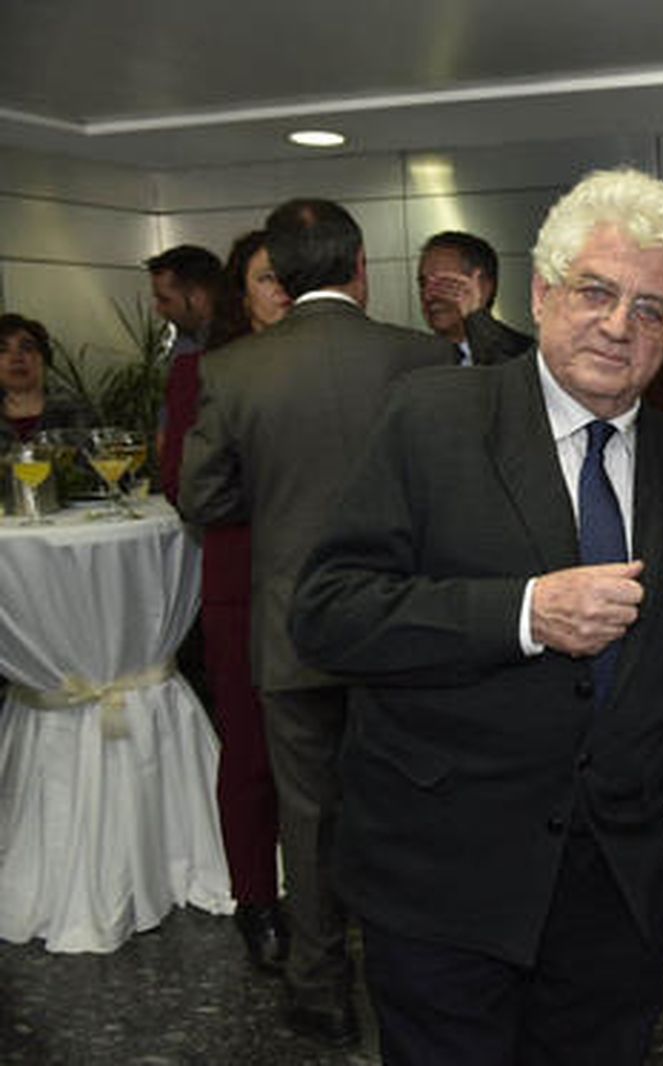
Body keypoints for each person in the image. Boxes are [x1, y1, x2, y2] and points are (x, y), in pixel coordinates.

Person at [288, 168, 663, 1064]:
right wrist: (524, 613)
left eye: (652, 309)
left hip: (614, 891)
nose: (619, 325)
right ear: (540, 294)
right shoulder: (434, 418)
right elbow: (328, 613)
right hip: (444, 883)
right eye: (596, 292)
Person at [179, 199, 455, 1048]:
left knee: (310, 817)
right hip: (405, 632)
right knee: (415, 813)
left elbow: (202, 498)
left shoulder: (234, 372)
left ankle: (320, 988)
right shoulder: (425, 357)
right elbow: (456, 491)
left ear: (279, 273)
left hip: (294, 629)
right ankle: (427, 982)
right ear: (360, 265)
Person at [159, 229, 291, 976]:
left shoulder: (335, 371)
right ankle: (256, 901)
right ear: (243, 293)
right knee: (251, 753)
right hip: (243, 582)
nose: (282, 293)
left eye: (290, 280)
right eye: (269, 280)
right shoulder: (206, 373)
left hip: (336, 588)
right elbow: (183, 484)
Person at [149, 244, 227, 497]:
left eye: (164, 299)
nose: (159, 310)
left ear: (197, 295)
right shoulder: (182, 344)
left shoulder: (234, 345)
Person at [417, 229, 534, 365]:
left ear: (483, 288)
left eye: (445, 283)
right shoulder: (413, 360)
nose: (428, 295)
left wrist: (478, 321)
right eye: (423, 283)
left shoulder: (527, 355)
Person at [0, 314, 90, 447]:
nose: (16, 358)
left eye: (27, 348)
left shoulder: (77, 411)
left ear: (44, 358)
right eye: (2, 350)